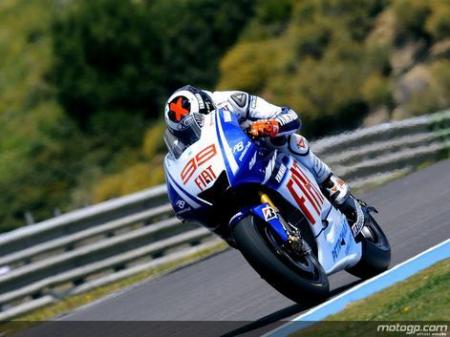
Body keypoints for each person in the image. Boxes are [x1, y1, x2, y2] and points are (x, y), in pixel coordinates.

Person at [163, 85, 364, 229]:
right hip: (231, 171)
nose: (195, 130)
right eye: (187, 132)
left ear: (208, 106)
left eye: (199, 121)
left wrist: (272, 126)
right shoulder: (182, 144)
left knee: (289, 140)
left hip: (262, 149)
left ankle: (329, 182)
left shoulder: (231, 101)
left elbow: (289, 115)